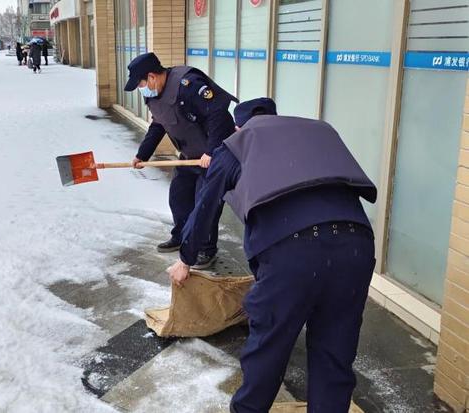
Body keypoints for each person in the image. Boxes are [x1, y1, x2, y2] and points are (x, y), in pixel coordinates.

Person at [167, 98, 378, 413]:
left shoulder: (240, 143)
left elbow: (205, 206)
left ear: (239, 126)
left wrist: (185, 258)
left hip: (292, 252)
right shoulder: (313, 133)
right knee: (334, 355)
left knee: (268, 350)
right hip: (357, 246)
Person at [124, 52, 237, 269]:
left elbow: (219, 115)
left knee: (204, 203)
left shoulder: (189, 84)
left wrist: (212, 152)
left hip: (212, 156)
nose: (141, 89)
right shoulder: (155, 94)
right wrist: (142, 154)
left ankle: (205, 249)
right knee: (178, 196)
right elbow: (159, 124)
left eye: (140, 84)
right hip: (189, 154)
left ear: (152, 77)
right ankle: (183, 237)